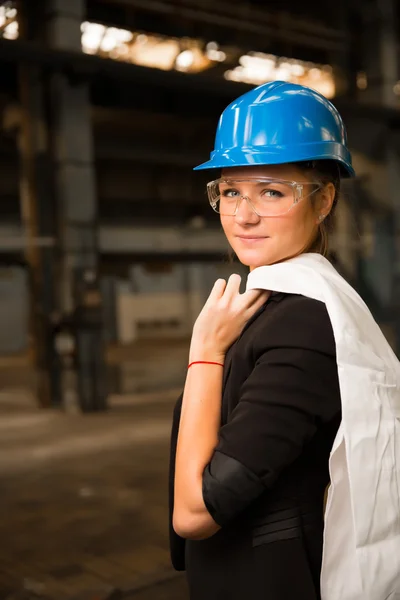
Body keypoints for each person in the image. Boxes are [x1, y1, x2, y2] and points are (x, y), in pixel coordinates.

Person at [168, 82, 400, 600]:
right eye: (230, 192)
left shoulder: (303, 326)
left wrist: (204, 354)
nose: (244, 215)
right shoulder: (267, 307)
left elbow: (195, 511)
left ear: (323, 202)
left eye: (272, 192)